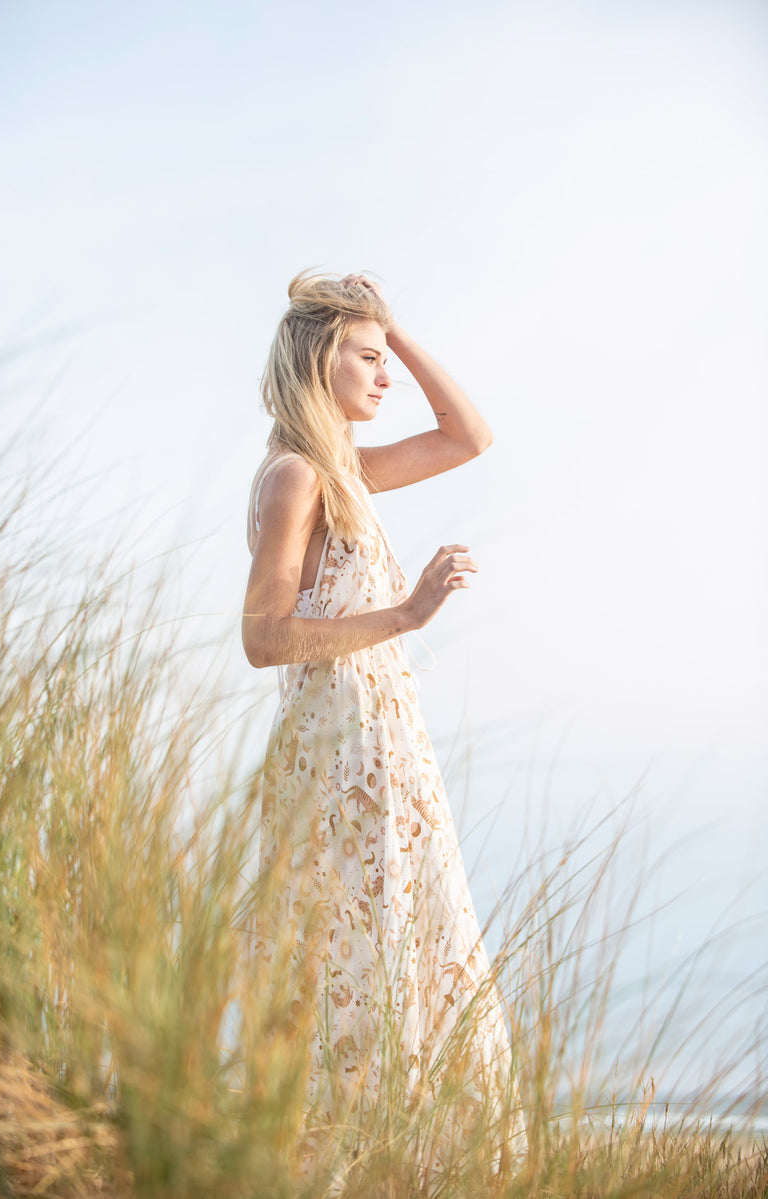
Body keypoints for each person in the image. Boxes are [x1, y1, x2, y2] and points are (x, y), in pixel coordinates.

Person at [242, 271, 526, 1174]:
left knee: (405, 941)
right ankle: (330, 1162)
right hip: (336, 755)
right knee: (347, 951)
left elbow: (469, 435)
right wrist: (403, 617)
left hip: (387, 749)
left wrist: (394, 330)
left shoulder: (347, 473)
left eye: (383, 356)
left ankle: (394, 1165)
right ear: (320, 361)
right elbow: (263, 637)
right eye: (365, 357)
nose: (385, 373)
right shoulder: (295, 476)